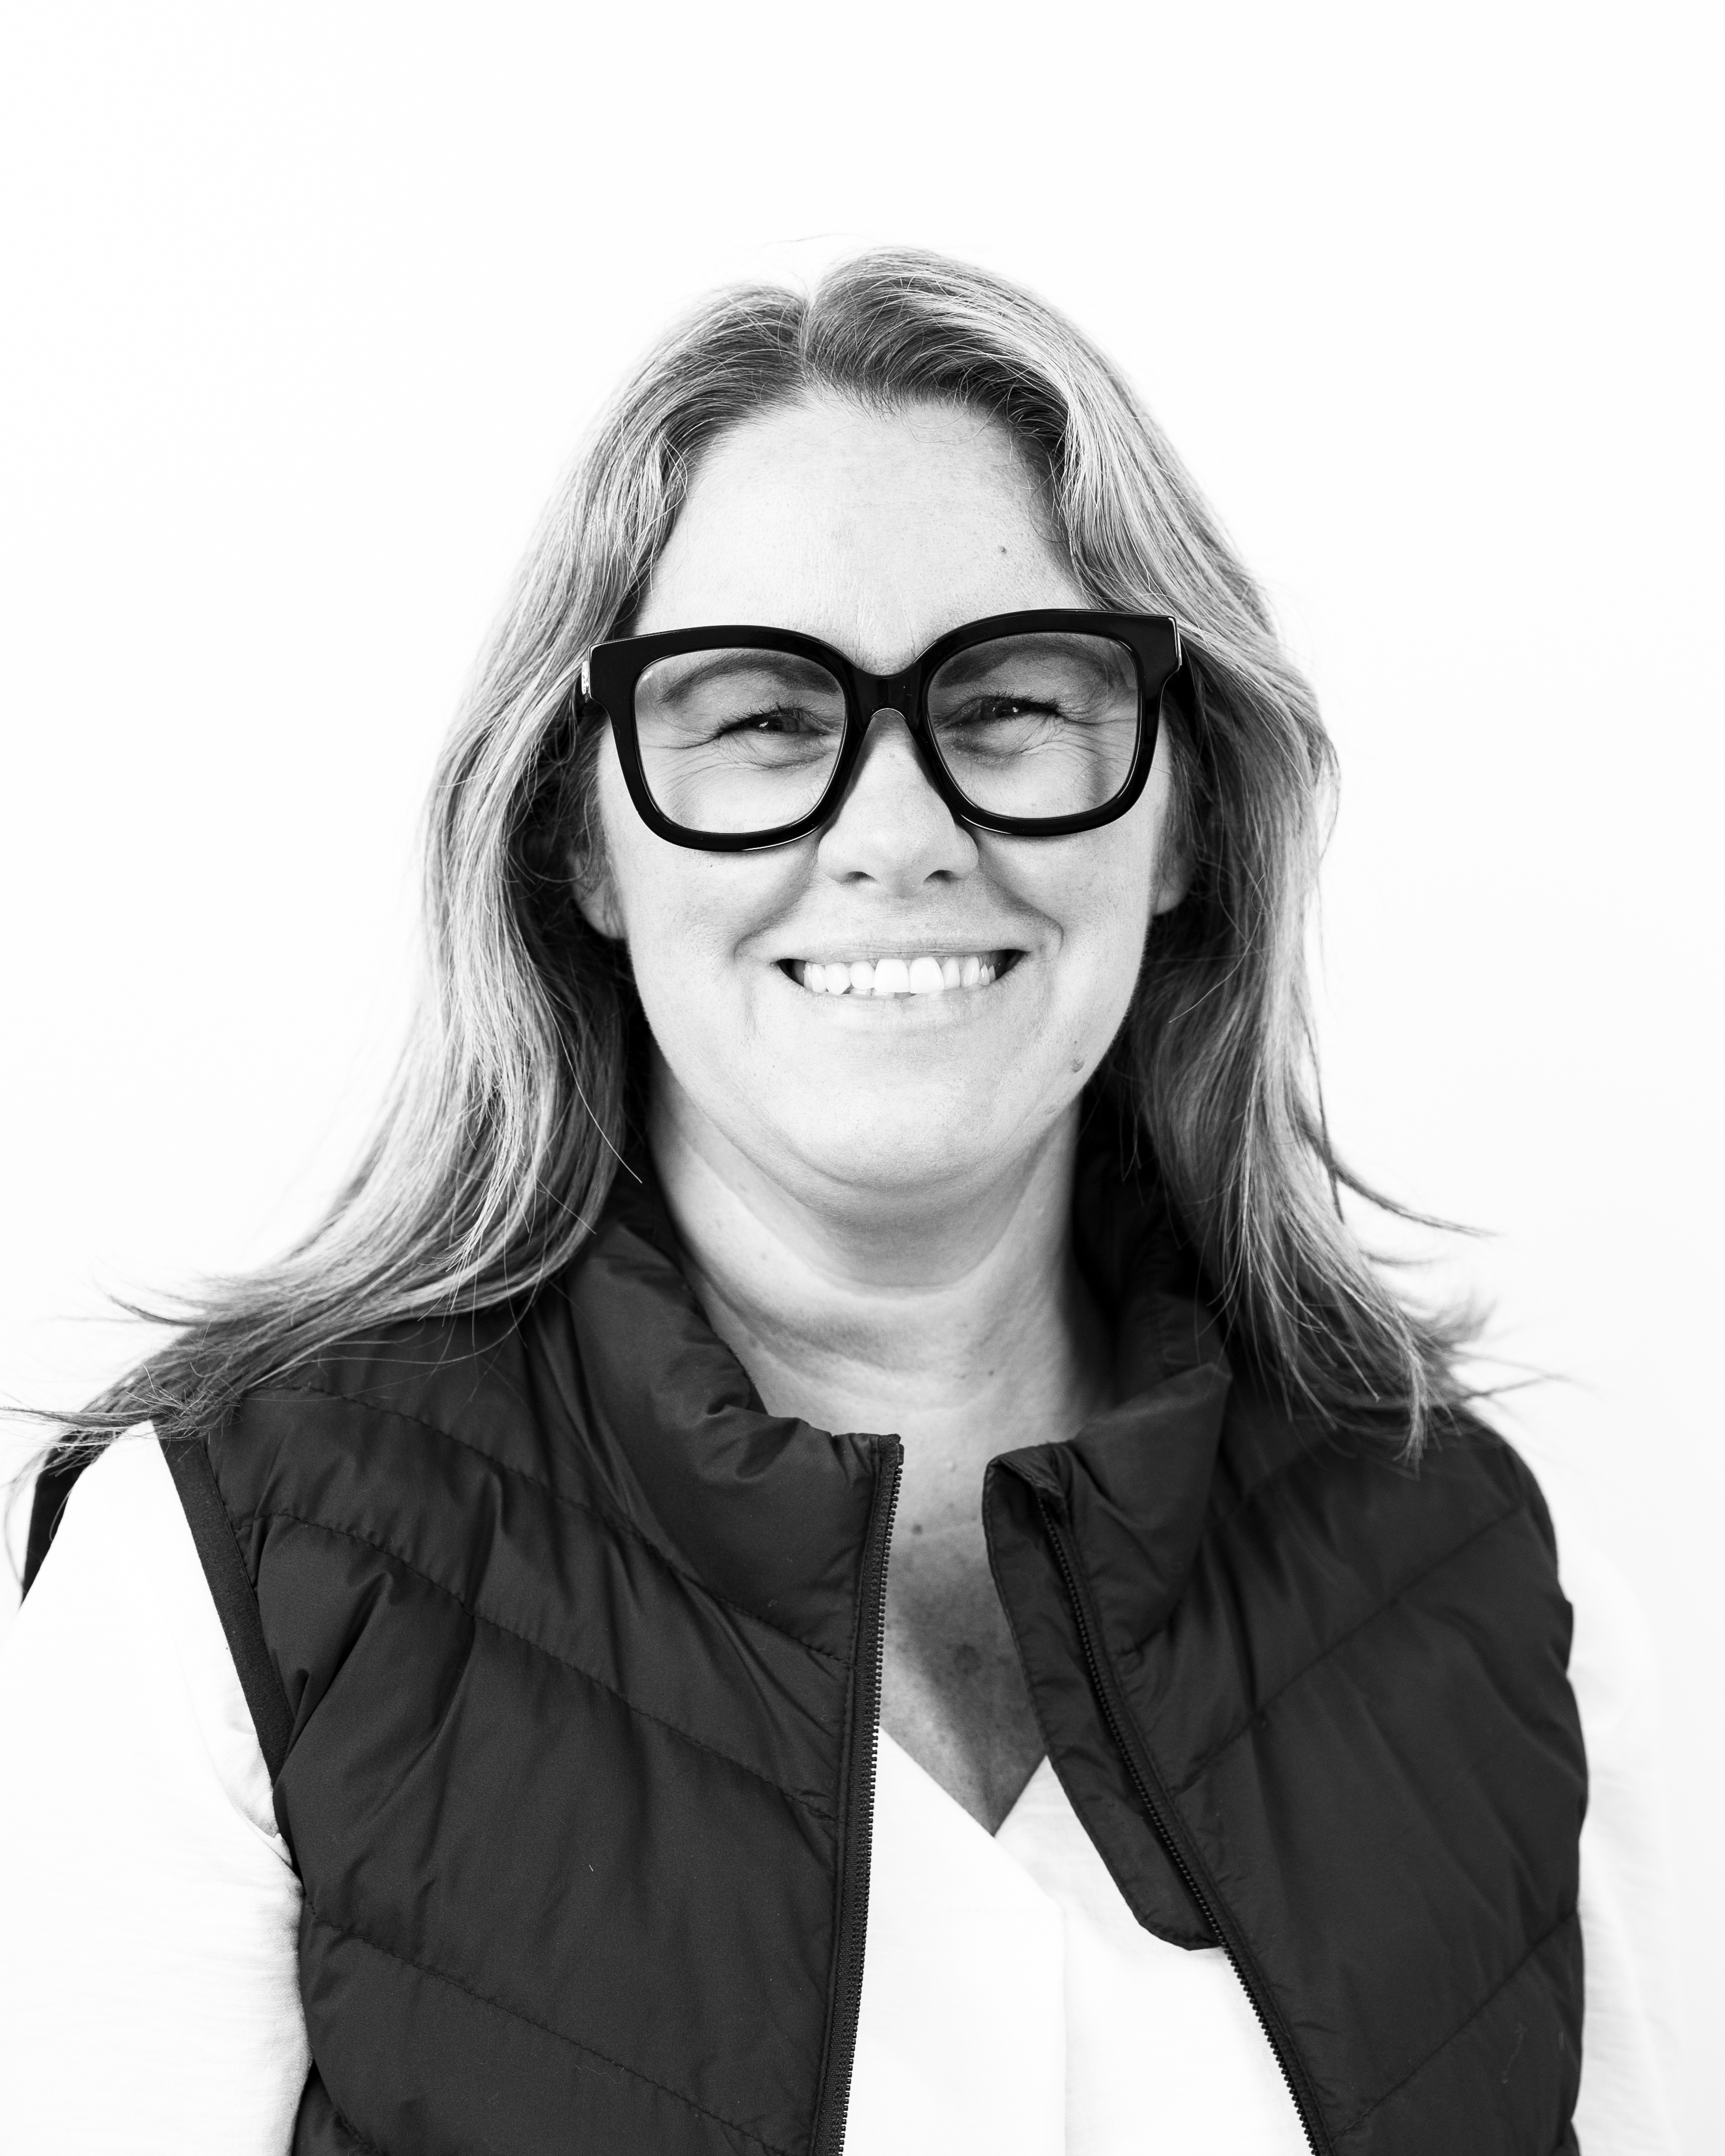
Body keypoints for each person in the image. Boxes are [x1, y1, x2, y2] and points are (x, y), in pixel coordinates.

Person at [0, 251, 1675, 2154]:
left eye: (1014, 700)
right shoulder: (221, 1582)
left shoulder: (1498, 1585)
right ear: (585, 841)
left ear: (1186, 818)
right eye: (762, 720)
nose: (897, 833)